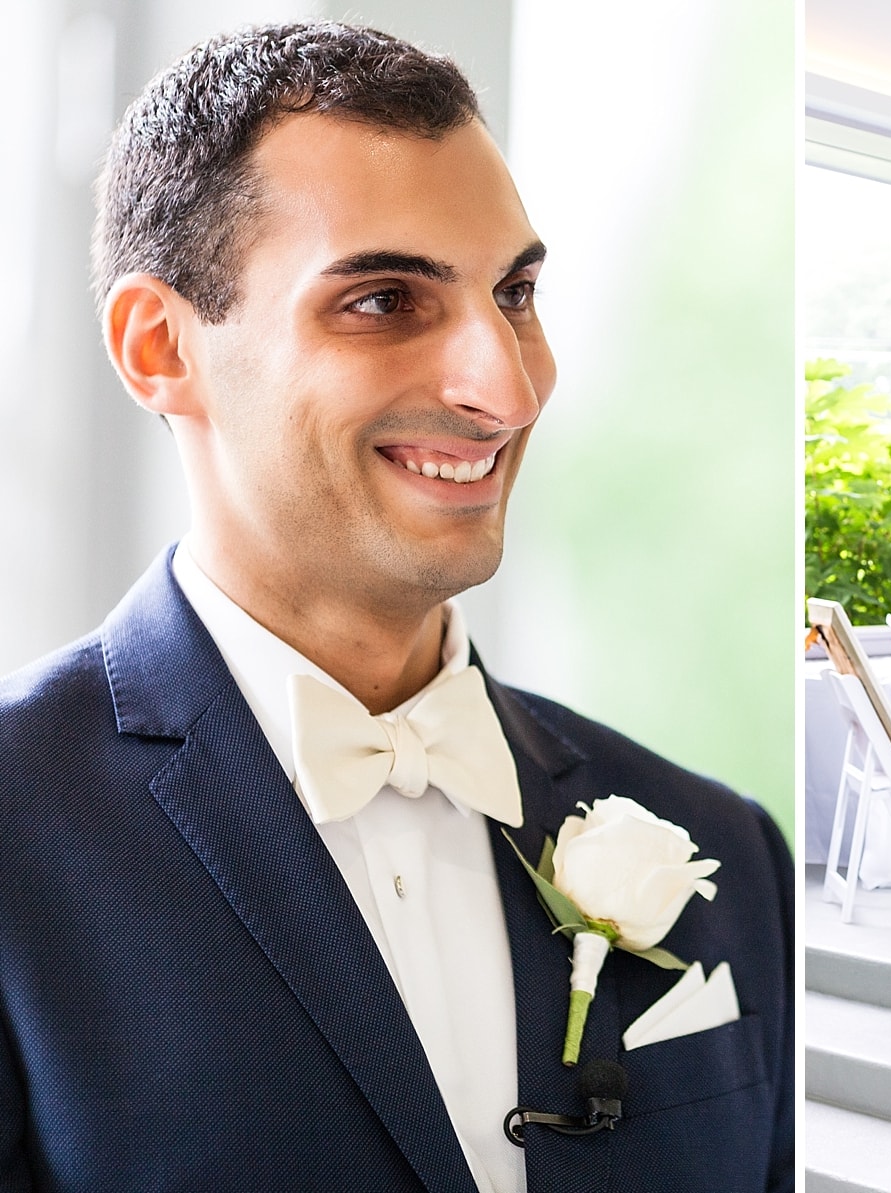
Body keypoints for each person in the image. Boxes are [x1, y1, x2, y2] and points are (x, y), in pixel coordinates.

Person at [0, 22, 792, 1193]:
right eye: (383, 300)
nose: (506, 386)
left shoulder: (725, 844)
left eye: (515, 291)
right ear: (158, 346)